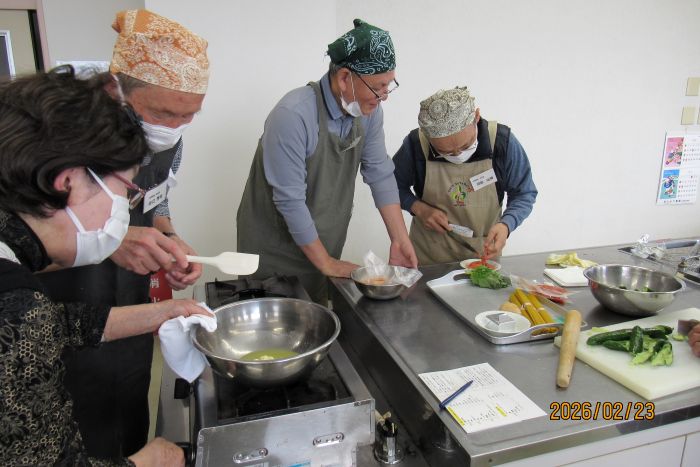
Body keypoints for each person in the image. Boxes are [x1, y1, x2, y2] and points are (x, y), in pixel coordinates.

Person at [0, 66, 211, 466]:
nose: (122, 213)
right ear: (67, 182)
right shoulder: (13, 307)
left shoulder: (14, 267)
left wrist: (162, 312)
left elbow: (54, 323)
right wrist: (145, 463)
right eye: (123, 193)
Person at [237, 19, 417, 304]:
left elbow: (380, 174)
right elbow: (290, 200)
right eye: (377, 87)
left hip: (323, 243)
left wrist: (400, 238)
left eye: (388, 86)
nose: (383, 97)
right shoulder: (293, 115)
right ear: (344, 78)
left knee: (315, 317)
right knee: (276, 324)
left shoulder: (368, 113)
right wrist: (327, 263)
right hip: (275, 248)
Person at [392, 86, 537, 265]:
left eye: (465, 146)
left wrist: (506, 224)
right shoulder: (416, 144)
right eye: (446, 152)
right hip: (429, 255)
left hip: (482, 254)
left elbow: (524, 193)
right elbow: (391, 187)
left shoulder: (502, 142)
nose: (458, 155)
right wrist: (419, 209)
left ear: (476, 117)